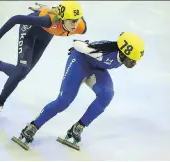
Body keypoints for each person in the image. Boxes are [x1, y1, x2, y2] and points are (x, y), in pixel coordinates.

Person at [15, 32, 145, 148]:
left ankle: (78, 127)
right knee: (64, 101)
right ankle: (33, 126)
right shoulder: (103, 52)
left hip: (95, 68)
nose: (134, 63)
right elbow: (77, 43)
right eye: (132, 60)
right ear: (123, 53)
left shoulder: (118, 54)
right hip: (79, 63)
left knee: (107, 94)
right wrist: (81, 47)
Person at [0, 1, 87, 127]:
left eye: (77, 20)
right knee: (22, 69)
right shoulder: (47, 20)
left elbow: (73, 18)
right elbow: (16, 19)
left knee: (22, 73)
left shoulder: (80, 26)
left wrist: (49, 8)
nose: (75, 24)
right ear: (62, 18)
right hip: (29, 31)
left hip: (46, 36)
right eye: (71, 21)